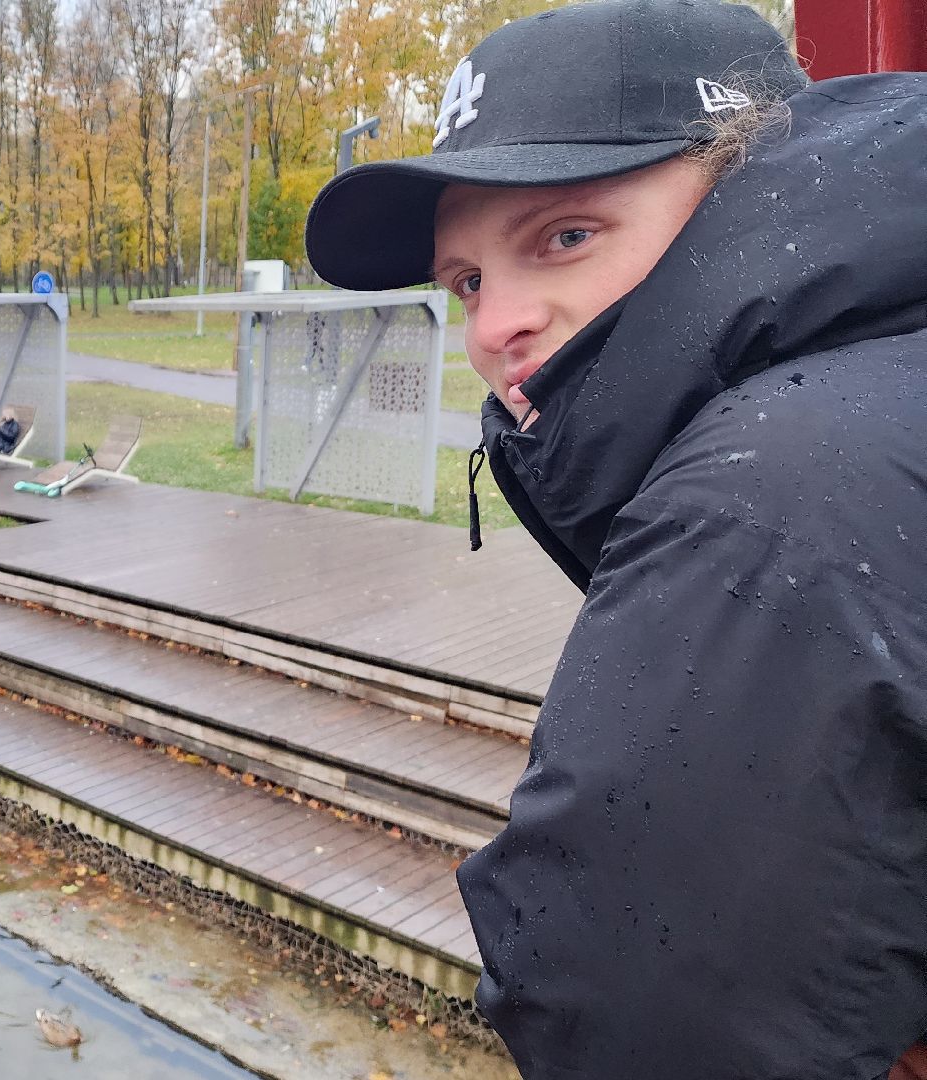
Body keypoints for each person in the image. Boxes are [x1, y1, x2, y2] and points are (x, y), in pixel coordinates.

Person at [303, 2, 926, 1076]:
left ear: (753, 185)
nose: (493, 325)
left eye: (566, 236)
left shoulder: (765, 491)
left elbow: (634, 1006)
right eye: (467, 281)